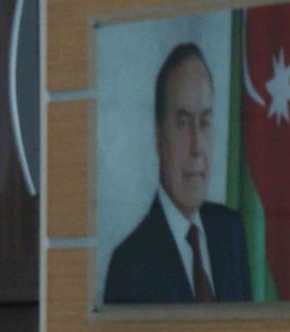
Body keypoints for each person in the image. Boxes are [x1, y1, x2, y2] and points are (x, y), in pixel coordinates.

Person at [103, 42, 252, 304]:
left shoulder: (231, 231)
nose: (197, 147)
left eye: (205, 122)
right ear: (158, 135)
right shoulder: (129, 265)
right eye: (182, 123)